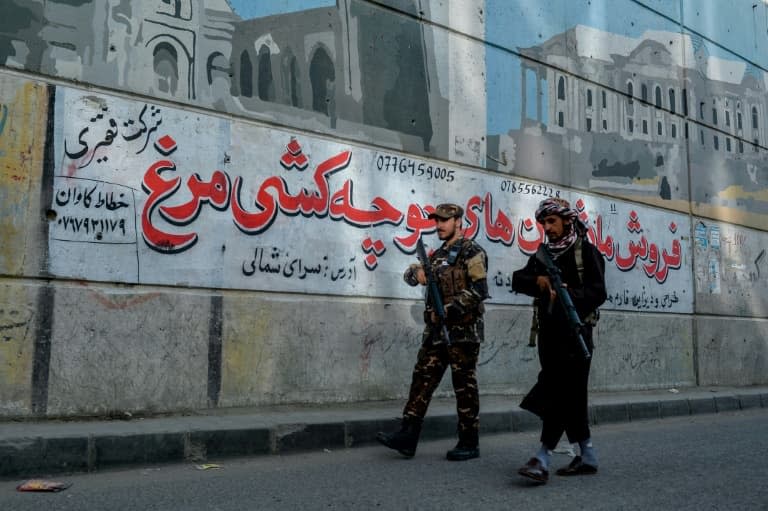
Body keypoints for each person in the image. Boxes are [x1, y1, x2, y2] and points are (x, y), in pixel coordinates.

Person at [376, 203, 489, 461]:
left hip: (463, 333)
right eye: (437, 220)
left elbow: (479, 291)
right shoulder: (437, 255)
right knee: (421, 380)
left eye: (445, 220)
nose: (439, 225)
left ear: (459, 221)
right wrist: (416, 273)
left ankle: (469, 442)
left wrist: (448, 310)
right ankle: (408, 436)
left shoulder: (473, 252)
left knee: (464, 387)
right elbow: (409, 275)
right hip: (437, 333)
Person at [512, 197, 606, 484]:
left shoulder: (586, 253)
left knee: (560, 393)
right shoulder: (543, 255)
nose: (547, 227)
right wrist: (539, 283)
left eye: (552, 221)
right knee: (571, 396)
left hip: (576, 334)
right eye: (543, 223)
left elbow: (598, 292)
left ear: (567, 220)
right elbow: (518, 280)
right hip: (549, 335)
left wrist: (567, 295)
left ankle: (542, 457)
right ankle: (587, 455)